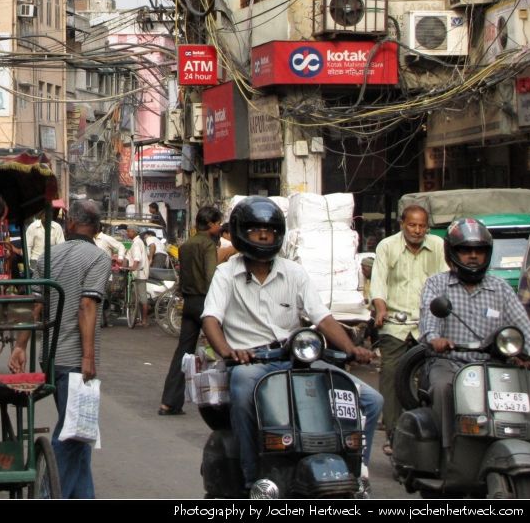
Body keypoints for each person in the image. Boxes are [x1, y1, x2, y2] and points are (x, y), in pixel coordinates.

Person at [201, 196, 382, 492]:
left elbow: (321, 317)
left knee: (372, 400)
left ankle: (357, 471)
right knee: (243, 388)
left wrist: (351, 349)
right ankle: (252, 479)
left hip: (295, 359)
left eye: (269, 231)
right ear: (240, 233)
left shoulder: (294, 272)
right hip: (252, 364)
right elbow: (211, 319)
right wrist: (228, 352)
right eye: (255, 230)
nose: (262, 235)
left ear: (278, 235)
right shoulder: (226, 273)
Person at [9, 199, 111, 499]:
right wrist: (88, 357)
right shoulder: (98, 258)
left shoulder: (48, 258)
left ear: (69, 224)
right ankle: (47, 494)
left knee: (79, 433)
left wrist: (19, 346)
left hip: (51, 358)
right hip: (76, 360)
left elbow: (36, 306)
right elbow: (87, 305)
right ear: (97, 228)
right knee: (71, 434)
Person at [419, 218, 530, 456]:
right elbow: (429, 323)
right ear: (451, 252)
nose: (473, 256)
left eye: (479, 251)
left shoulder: (500, 288)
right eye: (465, 250)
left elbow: (524, 328)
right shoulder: (436, 285)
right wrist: (435, 339)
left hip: (493, 365)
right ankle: (447, 450)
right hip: (449, 363)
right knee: (443, 388)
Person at [369, 204, 446, 454]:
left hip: (428, 324)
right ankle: (393, 434)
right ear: (403, 224)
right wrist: (381, 309)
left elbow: (445, 283)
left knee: (436, 377)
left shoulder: (437, 246)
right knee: (391, 374)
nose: (416, 230)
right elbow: (379, 284)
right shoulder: (387, 246)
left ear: (427, 227)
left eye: (421, 225)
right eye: (412, 225)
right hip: (396, 324)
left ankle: (435, 433)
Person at [158, 206, 221, 416]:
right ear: (211, 225)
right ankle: (224, 397)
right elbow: (212, 277)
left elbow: (183, 277)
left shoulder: (186, 245)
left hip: (189, 302)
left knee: (183, 352)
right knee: (226, 348)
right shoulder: (208, 245)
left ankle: (168, 402)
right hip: (205, 303)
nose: (220, 227)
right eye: (219, 223)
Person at [125, 223, 150, 327]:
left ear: (133, 232)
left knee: (142, 297)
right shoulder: (138, 241)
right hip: (140, 272)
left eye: (128, 231)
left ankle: (144, 321)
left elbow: (137, 258)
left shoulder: (136, 243)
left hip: (140, 273)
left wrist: (133, 267)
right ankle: (141, 319)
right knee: (139, 297)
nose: (127, 233)